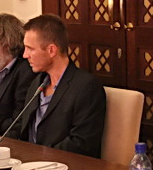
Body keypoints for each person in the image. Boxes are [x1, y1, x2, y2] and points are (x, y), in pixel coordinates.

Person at [19, 14, 106, 157]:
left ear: (51, 50)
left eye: (30, 49)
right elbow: (23, 128)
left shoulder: (86, 87)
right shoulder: (37, 82)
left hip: (65, 165)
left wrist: (39, 156)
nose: (25, 55)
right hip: (30, 162)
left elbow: (81, 143)